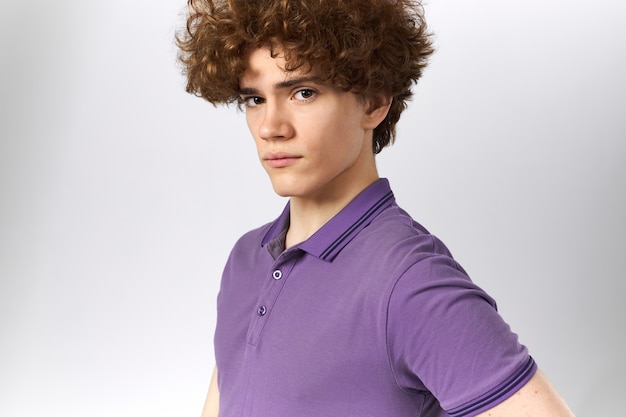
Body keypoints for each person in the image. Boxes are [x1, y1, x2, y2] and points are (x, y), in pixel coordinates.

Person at [177, 0, 576, 416]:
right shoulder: (246, 259)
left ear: (374, 103)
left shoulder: (410, 282)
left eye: (303, 92)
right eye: (254, 99)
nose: (270, 128)